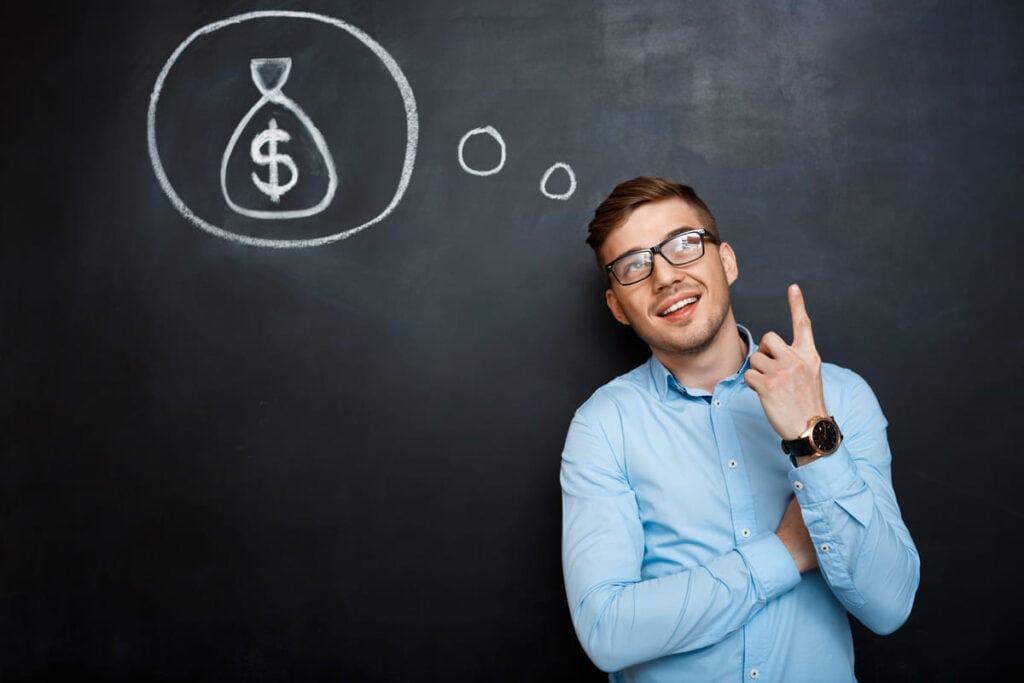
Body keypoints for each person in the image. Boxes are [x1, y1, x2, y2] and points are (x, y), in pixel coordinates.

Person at [560, 176, 920, 682]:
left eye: (684, 244)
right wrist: (786, 552)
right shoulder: (603, 426)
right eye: (635, 265)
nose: (664, 277)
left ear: (726, 261)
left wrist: (813, 437)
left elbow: (890, 605)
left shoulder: (841, 397)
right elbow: (607, 632)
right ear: (618, 306)